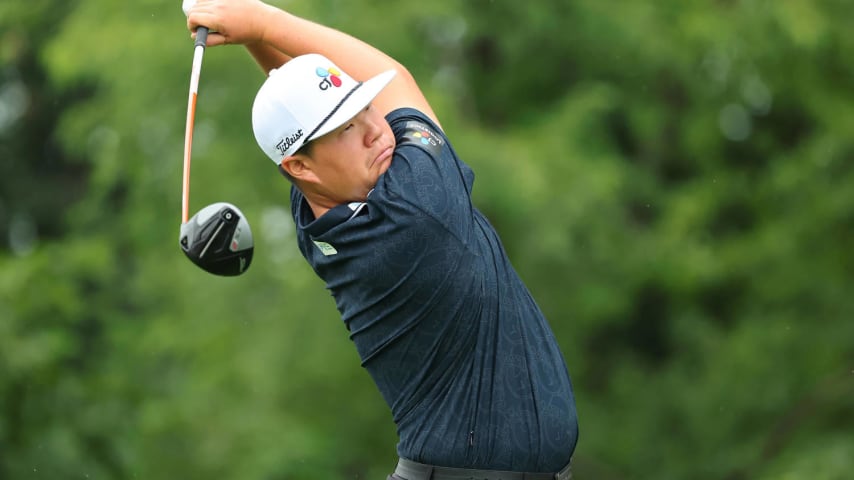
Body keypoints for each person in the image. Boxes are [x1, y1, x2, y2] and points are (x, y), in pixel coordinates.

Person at [185, 1, 578, 478]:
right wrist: (265, 22)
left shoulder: (320, 208)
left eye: (364, 107)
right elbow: (396, 78)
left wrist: (251, 37)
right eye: (349, 128)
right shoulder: (417, 213)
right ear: (301, 168)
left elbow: (303, 124)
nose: (377, 130)